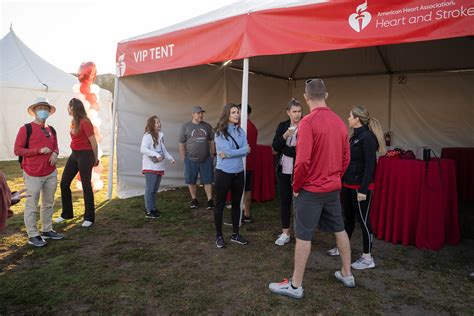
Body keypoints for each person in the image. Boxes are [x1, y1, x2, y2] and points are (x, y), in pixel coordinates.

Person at [269, 78, 353, 299]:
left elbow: (303, 161)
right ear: (326, 95)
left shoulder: (307, 122)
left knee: (304, 236)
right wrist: (335, 177)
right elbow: (346, 158)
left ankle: (295, 286)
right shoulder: (339, 122)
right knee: (339, 229)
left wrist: (297, 186)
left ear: (306, 98)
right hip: (332, 188)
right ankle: (347, 273)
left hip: (312, 190)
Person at [327, 106, 386, 270]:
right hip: (348, 184)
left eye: (350, 116)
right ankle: (341, 247)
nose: (348, 118)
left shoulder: (367, 138)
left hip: (360, 187)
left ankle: (368, 257)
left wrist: (363, 189)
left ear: (357, 119)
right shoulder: (355, 137)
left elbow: (370, 166)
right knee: (348, 219)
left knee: (364, 222)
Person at [13, 97, 64, 247]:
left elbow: (56, 146)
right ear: (34, 111)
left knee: (48, 203)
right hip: (32, 173)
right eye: (40, 108)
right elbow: (18, 150)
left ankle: (47, 230)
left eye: (46, 108)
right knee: (32, 205)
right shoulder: (26, 129)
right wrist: (38, 151)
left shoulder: (51, 129)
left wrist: (55, 152)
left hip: (50, 173)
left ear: (49, 112)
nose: (43, 111)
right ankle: (32, 235)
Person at [56, 98, 99, 227]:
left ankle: (89, 218)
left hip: (86, 155)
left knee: (86, 185)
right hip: (74, 154)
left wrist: (95, 159)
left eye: (68, 107)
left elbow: (94, 143)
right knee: (64, 183)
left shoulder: (85, 122)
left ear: (73, 108)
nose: (67, 109)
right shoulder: (73, 121)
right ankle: (67, 214)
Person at [213, 103, 250, 248]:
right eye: (234, 112)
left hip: (239, 173)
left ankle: (235, 234)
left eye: (238, 112)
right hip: (223, 173)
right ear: (227, 114)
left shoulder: (241, 131)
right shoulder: (219, 133)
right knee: (220, 204)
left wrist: (233, 152)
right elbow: (225, 152)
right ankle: (219, 236)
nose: (237, 114)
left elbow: (242, 150)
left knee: (237, 204)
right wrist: (242, 150)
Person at [272, 98, 303, 246]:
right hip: (283, 169)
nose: (297, 115)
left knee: (300, 203)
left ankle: (301, 234)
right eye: (294, 112)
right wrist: (285, 136)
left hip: (300, 170)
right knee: (285, 201)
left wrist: (286, 149)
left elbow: (303, 151)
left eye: (299, 111)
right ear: (288, 112)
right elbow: (275, 145)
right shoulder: (283, 125)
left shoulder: (306, 125)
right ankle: (285, 232)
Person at [178, 106, 215, 210]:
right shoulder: (185, 127)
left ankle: (210, 200)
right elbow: (181, 143)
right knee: (191, 180)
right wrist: (183, 157)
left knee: (208, 180)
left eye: (202, 113)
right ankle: (194, 199)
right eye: (198, 113)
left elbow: (212, 140)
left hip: (206, 159)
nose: (201, 115)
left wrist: (213, 153)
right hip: (190, 159)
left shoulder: (207, 126)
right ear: (193, 114)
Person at [140, 116, 176, 219]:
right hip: (150, 167)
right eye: (156, 123)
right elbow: (143, 149)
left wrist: (171, 158)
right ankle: (149, 211)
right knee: (150, 189)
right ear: (151, 124)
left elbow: (164, 150)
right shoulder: (147, 136)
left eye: (159, 122)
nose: (158, 124)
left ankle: (153, 208)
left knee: (154, 190)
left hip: (159, 166)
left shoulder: (160, 135)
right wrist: (155, 154)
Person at [238, 103, 258, 223]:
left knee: (244, 189)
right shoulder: (251, 126)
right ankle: (246, 213)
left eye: (238, 111)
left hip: (243, 163)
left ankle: (245, 213)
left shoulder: (243, 127)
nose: (236, 114)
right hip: (247, 162)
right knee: (247, 188)